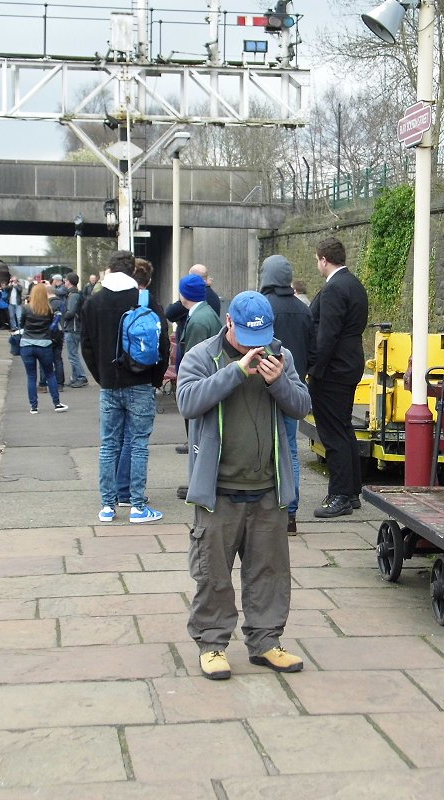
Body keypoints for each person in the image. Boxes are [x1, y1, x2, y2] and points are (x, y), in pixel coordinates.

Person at [176, 291, 311, 680]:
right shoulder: (202, 355)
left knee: (269, 573)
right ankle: (212, 644)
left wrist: (277, 382)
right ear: (229, 323)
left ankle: (266, 643)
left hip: (268, 487)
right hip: (217, 491)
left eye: (263, 337)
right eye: (249, 338)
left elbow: (301, 405)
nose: (258, 347)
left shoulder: (279, 355)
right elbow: (187, 402)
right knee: (212, 575)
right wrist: (235, 372)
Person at [81, 249, 169, 524]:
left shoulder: (92, 303)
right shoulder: (144, 299)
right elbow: (162, 342)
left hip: (109, 385)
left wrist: (102, 377)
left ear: (109, 269)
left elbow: (87, 346)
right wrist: (155, 378)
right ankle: (138, 507)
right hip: (140, 382)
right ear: (132, 271)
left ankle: (108, 507)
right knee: (139, 443)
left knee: (108, 444)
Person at [308, 236, 369, 518]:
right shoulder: (354, 285)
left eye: (317, 260)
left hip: (334, 369)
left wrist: (314, 369)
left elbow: (327, 334)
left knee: (332, 432)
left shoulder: (334, 289)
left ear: (323, 259)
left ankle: (340, 495)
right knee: (344, 428)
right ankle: (352, 490)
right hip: (350, 362)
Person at [260, 255, 313, 534]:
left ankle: (266, 508)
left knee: (263, 450)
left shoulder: (262, 307)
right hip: (293, 390)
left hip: (264, 389)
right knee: (290, 450)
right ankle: (290, 513)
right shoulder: (304, 309)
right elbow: (313, 350)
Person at [173, 272, 223, 498]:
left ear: (184, 294)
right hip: (210, 386)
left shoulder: (199, 320)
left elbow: (194, 361)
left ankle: (198, 485)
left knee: (199, 441)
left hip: (201, 390)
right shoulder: (206, 313)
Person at [115, 257, 156, 508]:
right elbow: (160, 344)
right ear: (148, 280)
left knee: (113, 439)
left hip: (114, 378)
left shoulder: (113, 301)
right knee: (136, 438)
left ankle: (112, 495)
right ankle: (128, 493)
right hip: (141, 379)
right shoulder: (150, 304)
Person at [19, 283, 68, 414]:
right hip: (44, 344)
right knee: (50, 374)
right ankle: (57, 403)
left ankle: (33, 407)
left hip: (27, 344)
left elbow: (21, 324)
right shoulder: (49, 310)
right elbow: (51, 327)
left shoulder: (26, 308)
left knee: (31, 376)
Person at [62, 273, 89, 388]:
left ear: (69, 282)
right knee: (73, 354)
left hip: (73, 327)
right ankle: (76, 377)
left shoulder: (73, 296)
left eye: (65, 280)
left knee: (72, 355)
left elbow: (70, 313)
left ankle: (81, 377)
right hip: (76, 327)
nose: (64, 282)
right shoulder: (76, 294)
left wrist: (61, 313)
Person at [40, 281, 67, 393]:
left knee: (44, 360)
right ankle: (60, 384)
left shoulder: (45, 304)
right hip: (59, 334)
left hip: (46, 334)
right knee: (58, 359)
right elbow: (64, 316)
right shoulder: (61, 303)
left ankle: (43, 384)